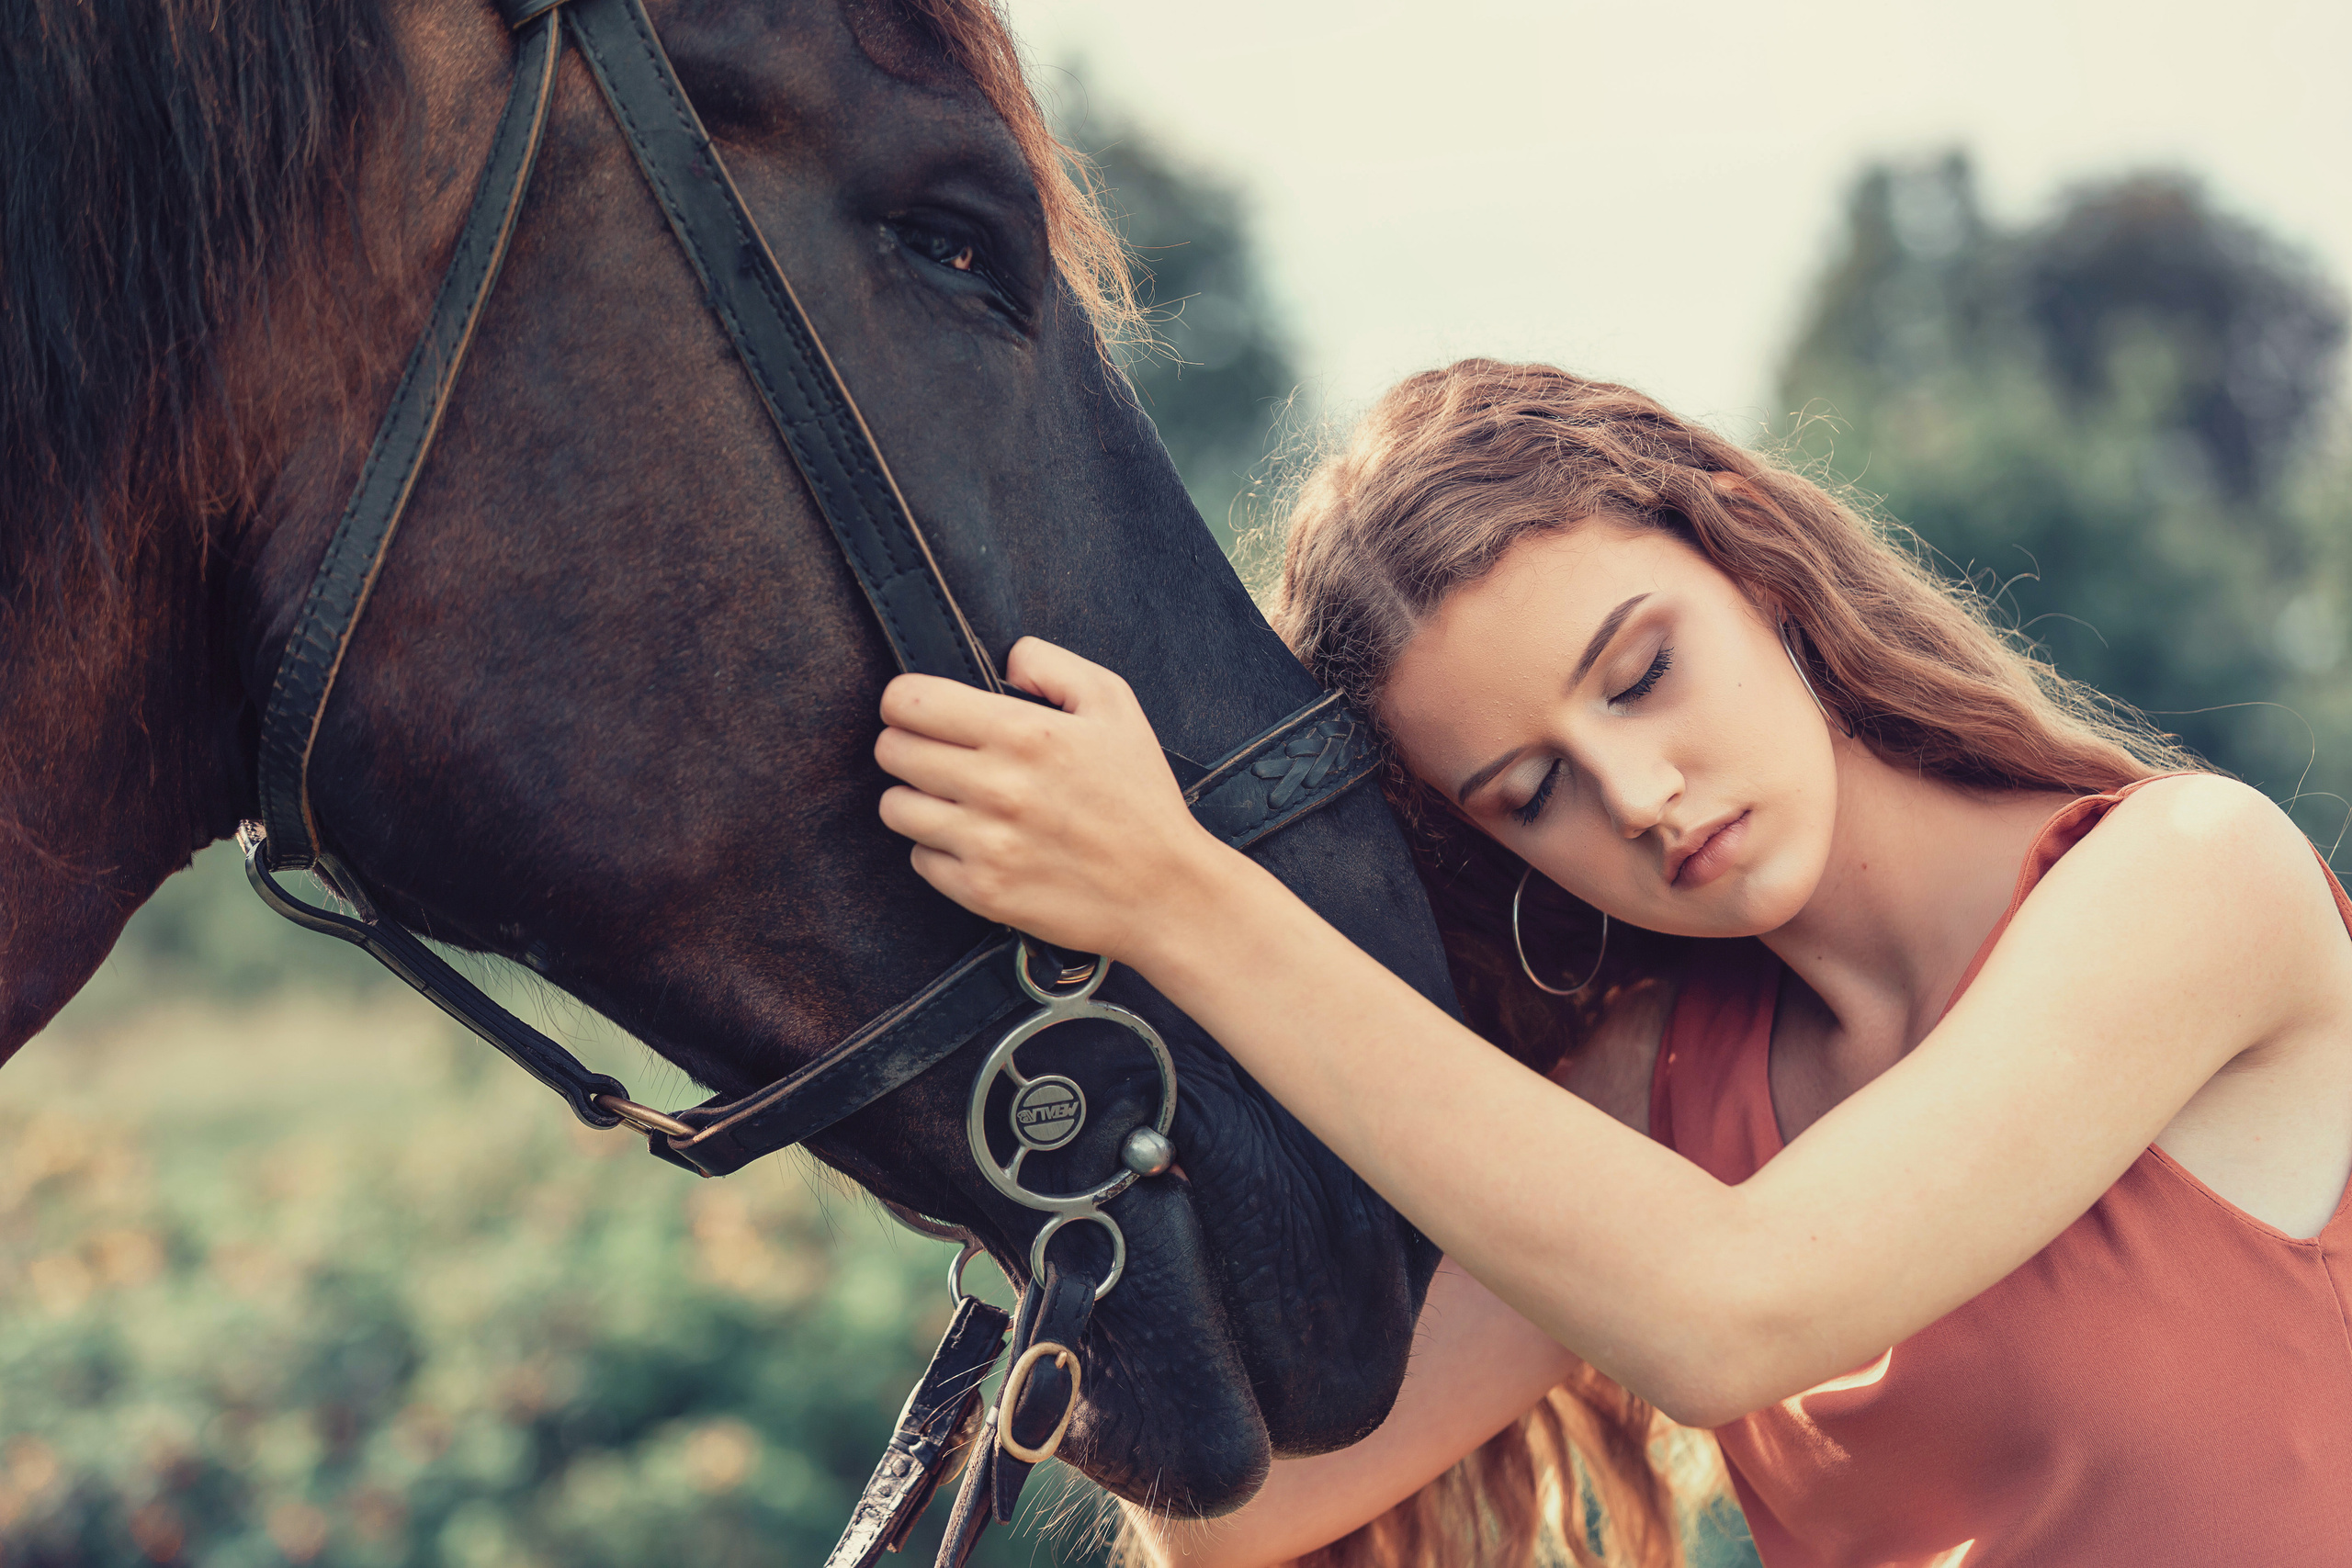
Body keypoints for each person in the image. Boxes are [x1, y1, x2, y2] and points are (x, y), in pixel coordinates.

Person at [870, 360, 2352, 1567]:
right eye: (1531, 795)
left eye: (1642, 673)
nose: (1639, 797)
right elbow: (1245, 1510)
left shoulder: (2192, 882)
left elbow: (1734, 1314)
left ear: (1752, 556)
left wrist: (1175, 899)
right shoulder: (1655, 1090)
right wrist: (1047, 1091)